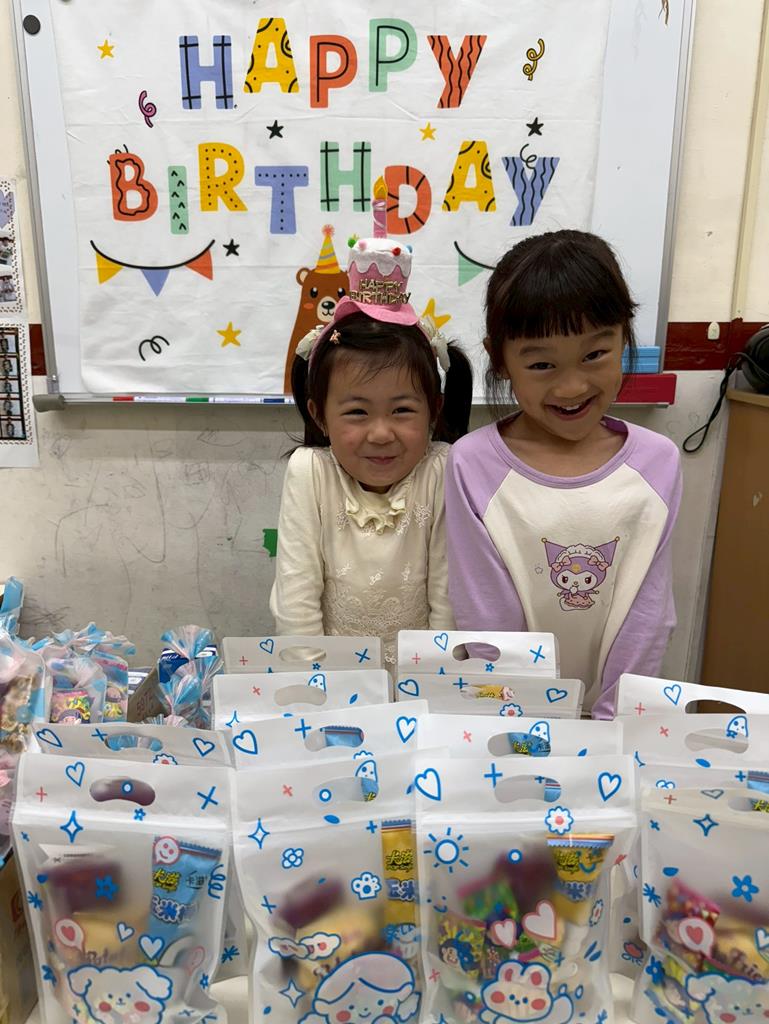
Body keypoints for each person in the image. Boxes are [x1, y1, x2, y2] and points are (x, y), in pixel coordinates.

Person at [445, 230, 681, 717]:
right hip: (510, 715)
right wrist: (519, 721)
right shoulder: (472, 463)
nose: (572, 386)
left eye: (594, 355)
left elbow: (649, 615)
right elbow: (484, 617)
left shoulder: (658, 462)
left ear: (623, 337)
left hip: (616, 718)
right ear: (500, 359)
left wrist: (613, 722)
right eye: (542, 364)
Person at [270, 230, 473, 667]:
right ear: (319, 414)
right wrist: (318, 686)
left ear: (434, 410)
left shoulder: (442, 469)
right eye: (358, 412)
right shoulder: (310, 473)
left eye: (402, 410)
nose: (381, 433)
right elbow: (295, 603)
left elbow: (448, 604)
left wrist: (433, 686)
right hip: (330, 683)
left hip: (421, 682)